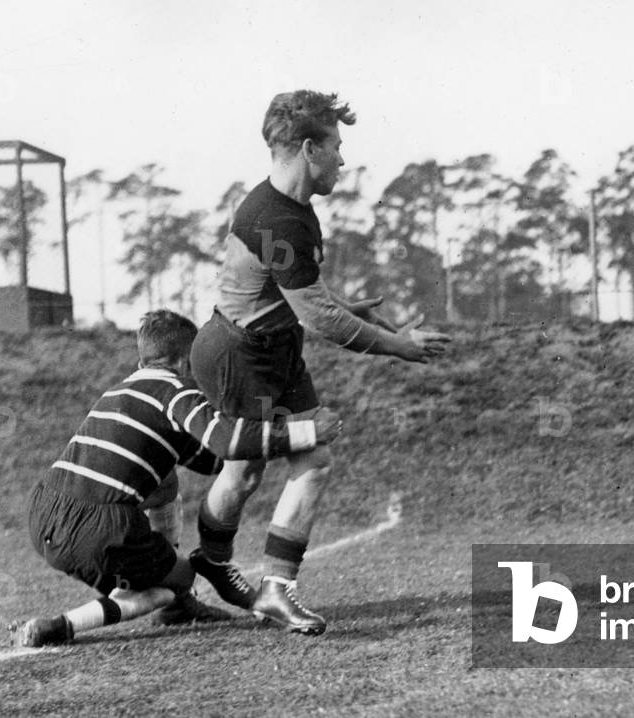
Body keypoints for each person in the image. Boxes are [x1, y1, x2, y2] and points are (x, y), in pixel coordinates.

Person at [188, 90, 451, 634]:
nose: (342, 160)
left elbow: (302, 298)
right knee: (255, 468)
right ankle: (235, 576)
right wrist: (396, 346)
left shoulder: (292, 210)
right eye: (336, 147)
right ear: (309, 148)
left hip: (272, 347)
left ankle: (250, 581)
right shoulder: (277, 218)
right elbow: (320, 319)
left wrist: (345, 310)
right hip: (240, 356)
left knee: (293, 462)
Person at [18, 310, 342, 646]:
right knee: (176, 582)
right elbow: (225, 443)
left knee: (164, 481)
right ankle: (65, 624)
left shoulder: (120, 391)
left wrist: (256, 449)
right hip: (98, 527)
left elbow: (212, 461)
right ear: (187, 360)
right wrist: (304, 433)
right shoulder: (175, 391)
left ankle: (170, 594)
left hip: (43, 513)